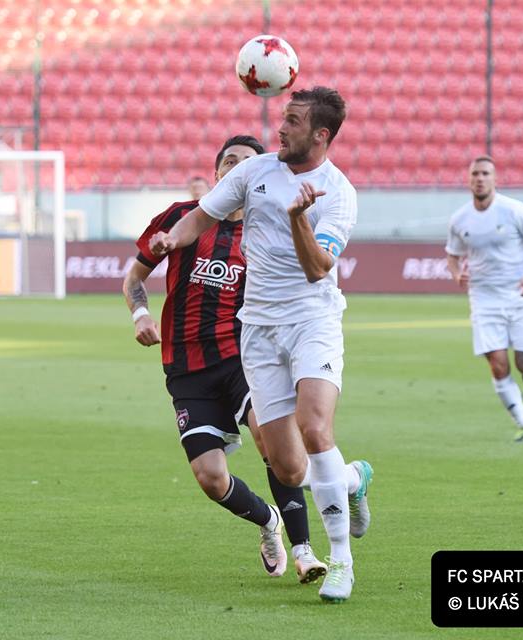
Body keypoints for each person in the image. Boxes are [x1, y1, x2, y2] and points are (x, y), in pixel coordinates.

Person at [149, 87, 373, 604]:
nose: (280, 128)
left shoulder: (338, 192)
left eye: (292, 121)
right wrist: (172, 240)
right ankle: (351, 479)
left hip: (312, 320)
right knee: (287, 463)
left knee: (315, 429)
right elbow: (201, 216)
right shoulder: (256, 172)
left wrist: (298, 218)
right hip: (258, 328)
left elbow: (319, 268)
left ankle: (341, 561)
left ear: (320, 134)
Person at [123, 135, 327, 585]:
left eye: (247, 164)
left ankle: (305, 551)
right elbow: (134, 275)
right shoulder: (181, 218)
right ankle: (268, 520)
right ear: (217, 175)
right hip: (185, 369)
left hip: (244, 359)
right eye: (229, 162)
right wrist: (140, 313)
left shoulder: (267, 229)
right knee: (211, 479)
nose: (236, 168)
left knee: (271, 442)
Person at [446, 156, 523, 440]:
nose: (480, 178)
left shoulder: (514, 210)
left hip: (519, 295)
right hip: (483, 299)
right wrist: (457, 274)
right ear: (469, 180)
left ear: (495, 179)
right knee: (497, 363)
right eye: (475, 174)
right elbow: (453, 254)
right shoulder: (460, 219)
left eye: (485, 173)